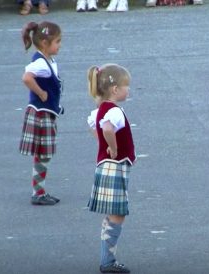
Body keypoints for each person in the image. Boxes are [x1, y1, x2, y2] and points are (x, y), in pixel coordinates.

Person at [86, 64, 135, 273]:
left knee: (114, 213)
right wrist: (113, 149)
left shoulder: (99, 111)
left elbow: (94, 127)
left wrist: (104, 146)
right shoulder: (114, 111)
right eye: (126, 86)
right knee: (118, 213)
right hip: (115, 165)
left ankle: (108, 259)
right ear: (115, 89)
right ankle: (107, 262)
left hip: (106, 165)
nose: (128, 90)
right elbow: (106, 129)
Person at [19, 21, 64, 206]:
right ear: (45, 43)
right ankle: (38, 193)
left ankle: (39, 190)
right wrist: (41, 93)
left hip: (47, 111)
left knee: (44, 153)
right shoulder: (41, 63)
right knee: (44, 153)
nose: (59, 45)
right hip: (41, 113)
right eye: (57, 41)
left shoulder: (48, 61)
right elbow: (27, 78)